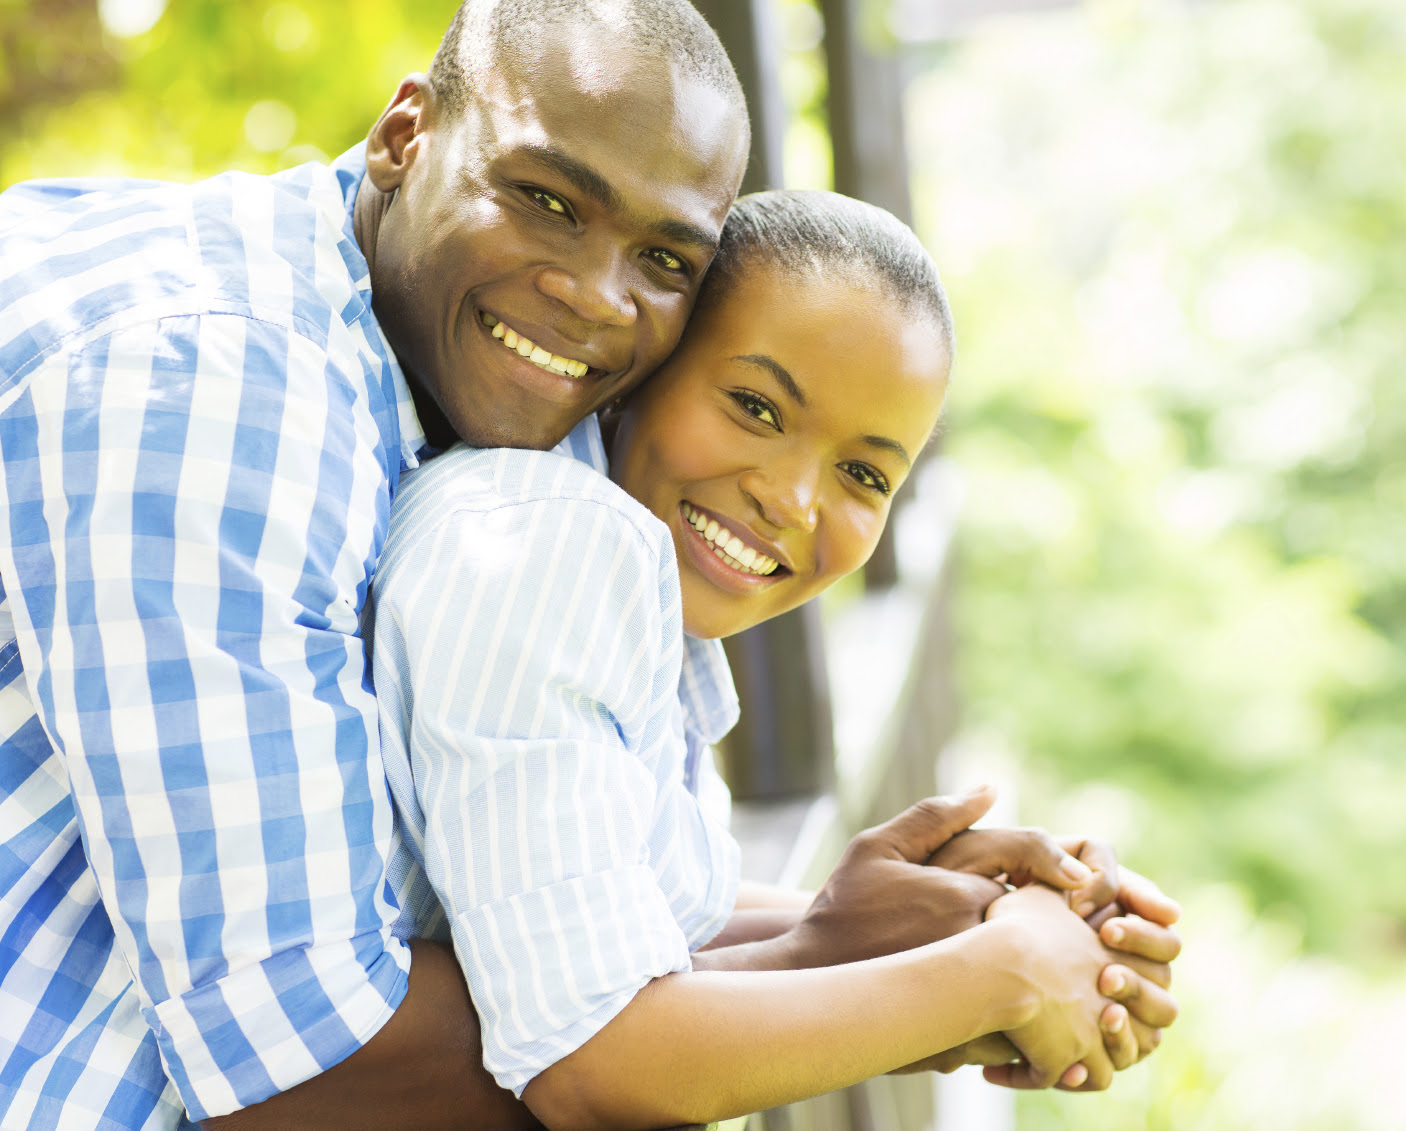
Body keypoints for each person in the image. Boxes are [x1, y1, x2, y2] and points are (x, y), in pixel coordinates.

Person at [0, 2, 1172, 1126]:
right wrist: (974, 983)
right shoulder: (214, 399)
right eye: (548, 200)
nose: (594, 298)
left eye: (664, 261)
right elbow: (321, 1072)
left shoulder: (465, 379)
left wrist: (837, 935)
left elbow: (539, 916)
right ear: (405, 134)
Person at [369, 190, 1181, 1131]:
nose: (794, 499)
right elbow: (591, 1061)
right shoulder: (547, 548)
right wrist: (998, 976)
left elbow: (610, 910)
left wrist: (929, 920)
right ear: (644, 367)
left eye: (865, 474)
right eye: (756, 406)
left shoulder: (643, 613)